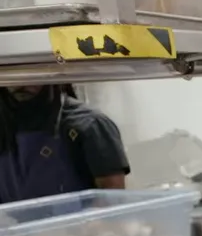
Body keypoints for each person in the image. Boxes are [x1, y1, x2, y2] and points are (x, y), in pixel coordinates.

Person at [0, 85, 129, 204]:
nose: (22, 83)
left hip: (77, 225)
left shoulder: (91, 124)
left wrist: (87, 226)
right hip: (16, 226)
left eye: (29, 71)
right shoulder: (5, 125)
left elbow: (112, 195)